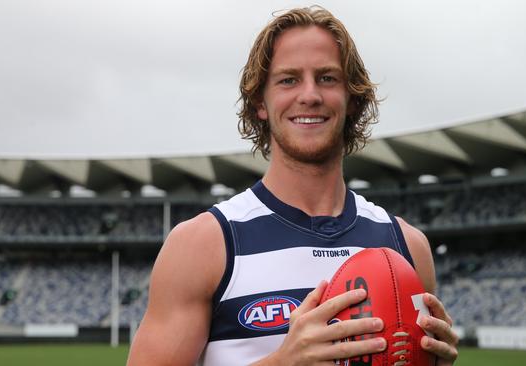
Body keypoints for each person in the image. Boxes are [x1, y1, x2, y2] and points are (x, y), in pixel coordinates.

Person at [127, 6, 458, 366]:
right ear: (260, 103)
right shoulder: (203, 244)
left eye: (327, 78)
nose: (310, 95)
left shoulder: (407, 247)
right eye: (288, 80)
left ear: (353, 99)